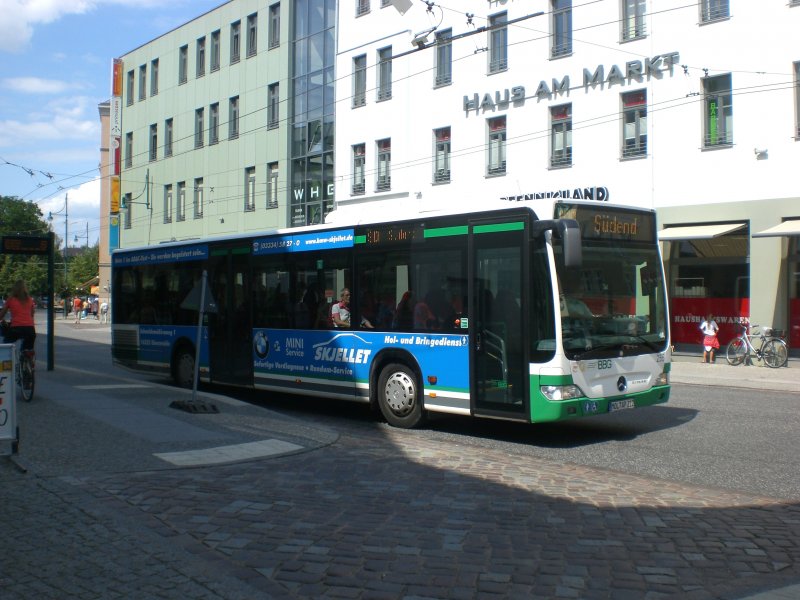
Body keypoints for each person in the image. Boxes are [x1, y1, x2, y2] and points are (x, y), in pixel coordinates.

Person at [0, 279, 37, 352]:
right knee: (27, 349)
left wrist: (2, 320)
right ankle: (29, 358)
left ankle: (9, 359)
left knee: (6, 344)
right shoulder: (29, 299)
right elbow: (32, 314)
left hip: (16, 328)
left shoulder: (11, 299)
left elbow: (2, 314)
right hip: (30, 329)